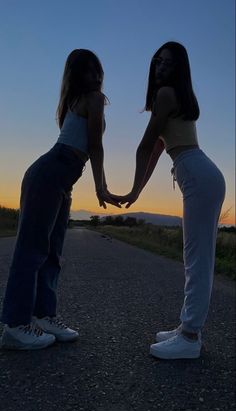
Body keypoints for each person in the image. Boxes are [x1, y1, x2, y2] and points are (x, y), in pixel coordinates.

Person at [112, 41, 226, 359]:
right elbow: (157, 151)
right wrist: (138, 191)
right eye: (158, 61)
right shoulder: (171, 99)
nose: (161, 67)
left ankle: (190, 337)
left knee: (197, 259)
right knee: (195, 257)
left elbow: (144, 146)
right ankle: (187, 328)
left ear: (180, 70)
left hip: (199, 178)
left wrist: (132, 192)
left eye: (169, 64)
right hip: (200, 176)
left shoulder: (165, 95)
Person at [0, 49, 120, 350]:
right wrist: (100, 187)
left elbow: (87, 147)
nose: (95, 76)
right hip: (51, 172)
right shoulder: (91, 100)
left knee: (52, 251)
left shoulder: (77, 102)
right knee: (32, 249)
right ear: (75, 75)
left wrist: (98, 185)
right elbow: (94, 145)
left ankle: (43, 315)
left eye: (97, 70)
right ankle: (15, 325)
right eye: (87, 71)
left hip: (61, 179)